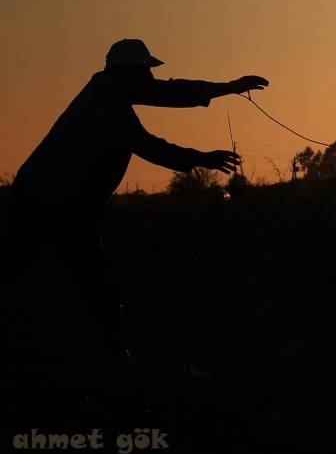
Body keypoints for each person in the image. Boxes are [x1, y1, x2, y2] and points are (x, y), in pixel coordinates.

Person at [2, 38, 269, 382]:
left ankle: (112, 357)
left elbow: (171, 92)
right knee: (92, 283)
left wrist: (228, 88)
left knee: (24, 265)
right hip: (53, 202)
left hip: (48, 197)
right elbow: (148, 146)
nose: (150, 80)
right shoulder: (108, 107)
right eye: (146, 72)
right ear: (129, 73)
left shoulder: (115, 90)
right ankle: (116, 362)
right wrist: (201, 158)